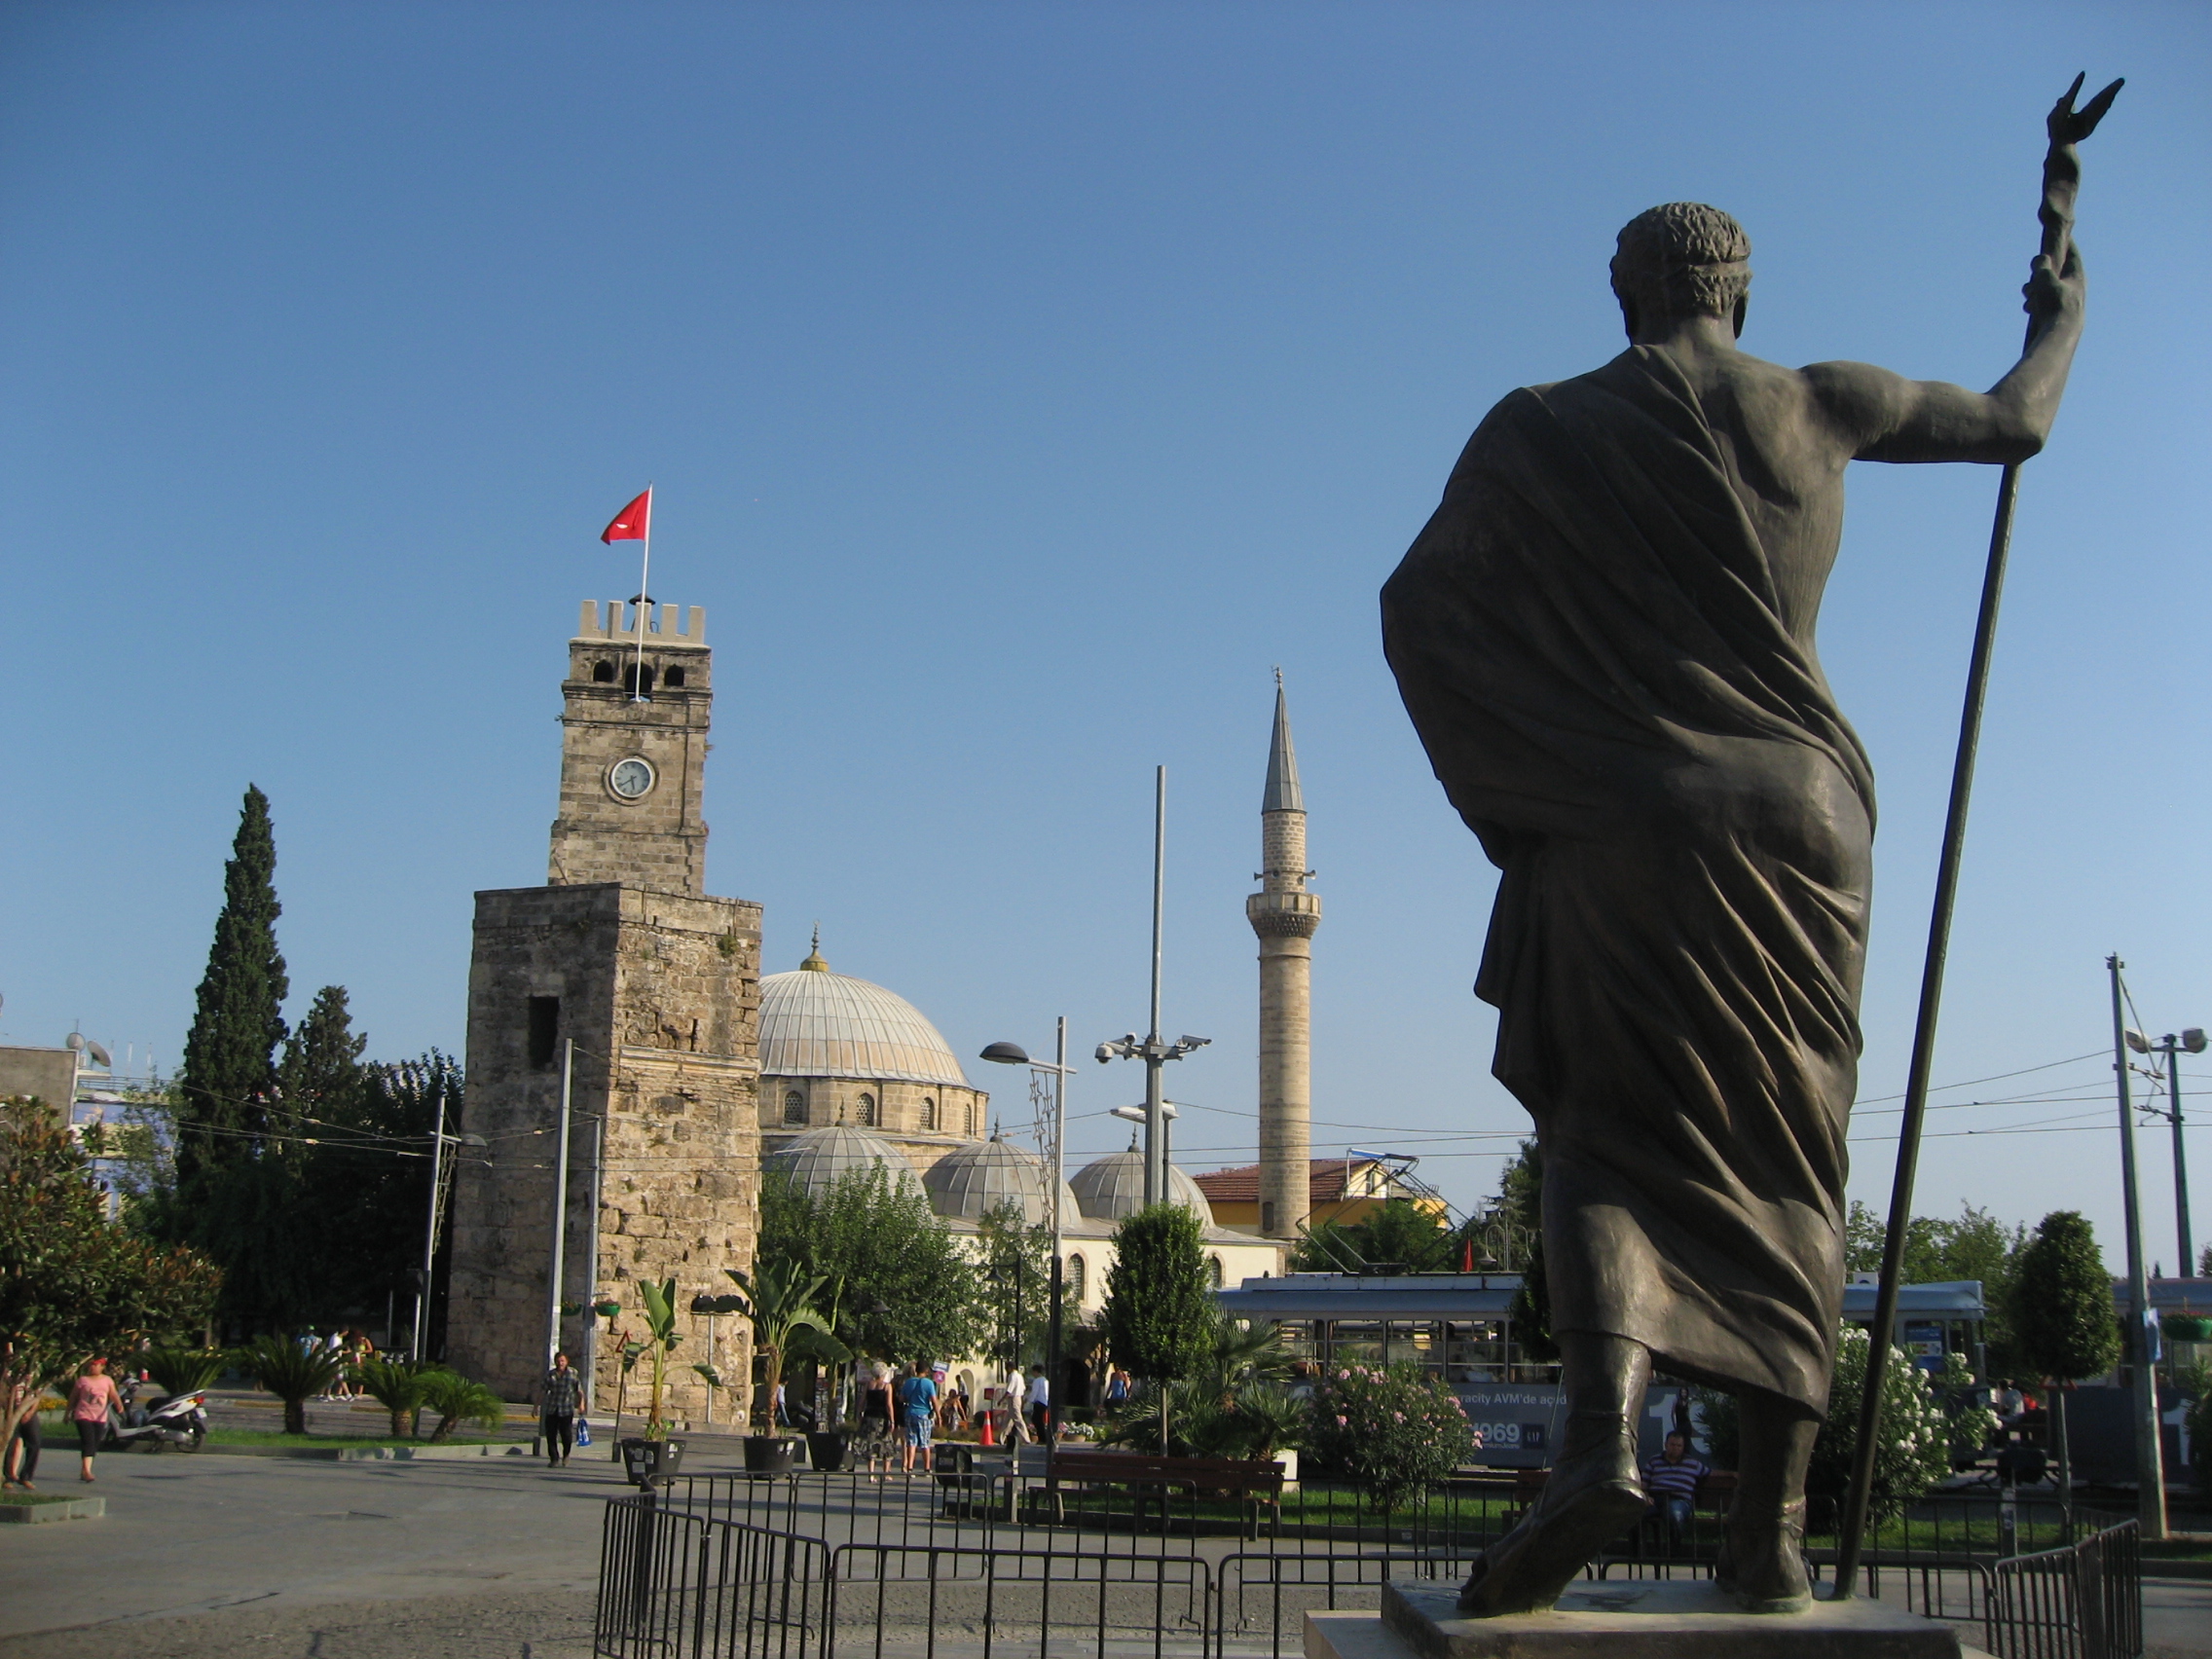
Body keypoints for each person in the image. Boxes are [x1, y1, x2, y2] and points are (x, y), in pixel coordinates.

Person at [1383, 171, 2088, 1618]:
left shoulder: (1540, 426)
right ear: (1741, 295)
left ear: (1623, 297)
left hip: (1628, 812)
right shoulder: (1823, 402)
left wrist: (1539, 768)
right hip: (1806, 814)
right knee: (1791, 1156)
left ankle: (1600, 1444)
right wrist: (2059, 317)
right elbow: (2014, 422)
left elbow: (1419, 609)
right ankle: (1767, 1532)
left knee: (1601, 1137)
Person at [1642, 1432, 1709, 1540]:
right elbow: (1644, 1483)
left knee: (1674, 1515)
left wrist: (1731, 1474)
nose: (1676, 1448)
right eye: (1672, 1445)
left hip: (1679, 1499)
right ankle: (1637, 1549)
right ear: (1666, 1445)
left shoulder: (1693, 1463)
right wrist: (1645, 1496)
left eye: (1679, 1445)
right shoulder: (1654, 1461)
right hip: (1655, 1498)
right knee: (1634, 1515)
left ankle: (1674, 1549)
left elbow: (1710, 1473)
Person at [68, 1357, 122, 1484]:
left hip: (99, 1417)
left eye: (96, 1365)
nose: (93, 1367)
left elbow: (113, 1394)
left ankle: (85, 1470)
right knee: (88, 1441)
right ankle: (87, 1471)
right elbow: (73, 1397)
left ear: (102, 1367)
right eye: (91, 1365)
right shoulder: (83, 1380)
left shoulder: (107, 1380)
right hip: (83, 1415)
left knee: (95, 1443)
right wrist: (67, 1413)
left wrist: (119, 1405)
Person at [540, 1350, 583, 1467]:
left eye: (562, 1361)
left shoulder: (572, 1373)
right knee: (551, 1435)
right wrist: (536, 1407)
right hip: (552, 1408)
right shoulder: (551, 1375)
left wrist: (581, 1404)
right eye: (558, 1361)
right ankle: (554, 1458)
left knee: (566, 1435)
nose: (560, 1363)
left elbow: (579, 1390)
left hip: (566, 1409)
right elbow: (543, 1390)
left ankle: (566, 1455)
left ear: (567, 1362)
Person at [896, 1362, 938, 1474]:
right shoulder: (929, 1383)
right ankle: (927, 1468)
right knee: (925, 1442)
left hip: (910, 1413)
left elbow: (901, 1398)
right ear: (926, 1371)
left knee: (911, 1442)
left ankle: (910, 1467)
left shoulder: (908, 1382)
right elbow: (934, 1401)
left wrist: (910, 1399)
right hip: (924, 1414)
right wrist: (938, 1415)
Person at [856, 1361, 896, 1480]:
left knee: (870, 1444)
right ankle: (885, 1473)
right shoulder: (887, 1386)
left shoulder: (868, 1385)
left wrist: (859, 1413)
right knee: (886, 1444)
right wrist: (892, 1420)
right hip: (882, 1418)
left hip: (869, 1416)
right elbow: (889, 1404)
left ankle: (871, 1474)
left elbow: (862, 1401)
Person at [1024, 1364, 1051, 1442]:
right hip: (1044, 1402)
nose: (1033, 1374)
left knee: (1037, 1420)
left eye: (1033, 1372)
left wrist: (1028, 1400)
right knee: (1039, 1420)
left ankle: (1042, 1438)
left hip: (1038, 1402)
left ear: (1036, 1372)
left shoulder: (1037, 1381)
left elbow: (1034, 1392)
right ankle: (1043, 1438)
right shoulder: (1045, 1380)